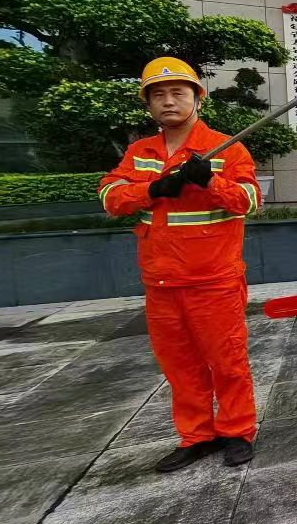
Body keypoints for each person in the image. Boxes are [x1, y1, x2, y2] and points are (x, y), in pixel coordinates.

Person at [100, 57, 261, 471]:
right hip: (161, 282)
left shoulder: (226, 148)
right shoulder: (140, 153)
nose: (167, 101)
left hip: (214, 279)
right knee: (180, 366)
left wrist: (210, 180)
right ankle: (196, 436)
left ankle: (237, 430)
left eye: (177, 93)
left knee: (227, 361)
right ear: (148, 104)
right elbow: (110, 198)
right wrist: (153, 187)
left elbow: (250, 201)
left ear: (197, 99)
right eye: (158, 95)